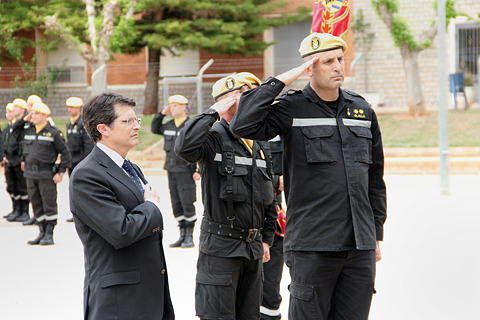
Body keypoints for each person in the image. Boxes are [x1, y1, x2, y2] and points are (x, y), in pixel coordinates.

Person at [230, 33, 387, 320]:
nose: (338, 66)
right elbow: (243, 124)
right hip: (312, 245)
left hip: (360, 245)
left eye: (340, 59)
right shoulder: (292, 107)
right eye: (328, 61)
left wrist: (375, 233)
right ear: (309, 69)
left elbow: (375, 178)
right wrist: (281, 81)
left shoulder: (362, 110)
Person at [175, 74, 277, 320]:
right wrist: (213, 112)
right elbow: (184, 147)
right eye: (244, 96)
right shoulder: (212, 137)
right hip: (221, 248)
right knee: (218, 316)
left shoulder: (259, 143)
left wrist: (266, 239)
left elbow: (269, 195)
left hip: (252, 249)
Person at [69, 92, 174, 320]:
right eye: (127, 121)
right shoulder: (87, 175)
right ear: (103, 129)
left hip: (149, 295)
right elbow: (121, 231)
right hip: (119, 302)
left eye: (136, 120)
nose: (136, 126)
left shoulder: (130, 167)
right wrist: (152, 206)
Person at [12, 102, 71, 245]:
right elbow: (15, 133)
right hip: (30, 174)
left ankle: (49, 234)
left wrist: (61, 172)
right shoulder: (28, 130)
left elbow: (66, 154)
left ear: (45, 116)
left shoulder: (53, 132)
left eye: (37, 114)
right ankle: (41, 232)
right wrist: (23, 120)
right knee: (36, 204)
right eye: (32, 113)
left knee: (48, 204)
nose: (33, 116)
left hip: (46, 174)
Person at [151, 94, 200, 248]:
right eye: (171, 105)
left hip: (186, 170)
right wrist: (161, 114)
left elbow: (200, 147)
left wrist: (199, 169)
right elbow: (154, 128)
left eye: (176, 106)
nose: (173, 108)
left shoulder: (191, 125)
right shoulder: (169, 125)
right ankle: (182, 235)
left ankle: (189, 237)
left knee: (187, 201)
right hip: (171, 169)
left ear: (184, 107)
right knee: (176, 202)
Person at [64, 97, 94, 222]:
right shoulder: (71, 123)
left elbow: (88, 145)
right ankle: (77, 213)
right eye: (69, 107)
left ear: (78, 108)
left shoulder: (83, 124)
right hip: (72, 161)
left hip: (80, 161)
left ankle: (85, 214)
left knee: (84, 189)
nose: (69, 109)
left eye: (72, 107)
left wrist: (84, 163)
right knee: (74, 189)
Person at [3, 100, 31, 223]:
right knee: (12, 187)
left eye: (16, 107)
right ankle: (16, 210)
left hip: (19, 159)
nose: (13, 109)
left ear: (22, 110)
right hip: (10, 159)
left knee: (22, 187)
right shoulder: (10, 126)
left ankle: (24, 211)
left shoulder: (25, 125)